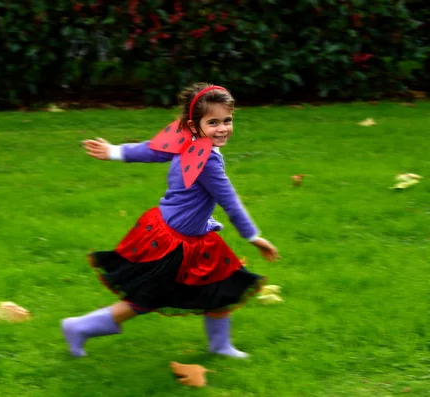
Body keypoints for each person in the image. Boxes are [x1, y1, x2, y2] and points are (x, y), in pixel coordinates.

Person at [62, 83, 280, 358]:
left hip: (191, 235)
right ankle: (79, 327)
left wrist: (116, 152)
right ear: (194, 124)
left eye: (227, 120)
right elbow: (229, 200)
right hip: (172, 243)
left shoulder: (188, 139)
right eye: (213, 122)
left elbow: (151, 150)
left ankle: (220, 345)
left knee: (219, 283)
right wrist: (253, 236)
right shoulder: (207, 160)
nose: (223, 128)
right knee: (145, 299)